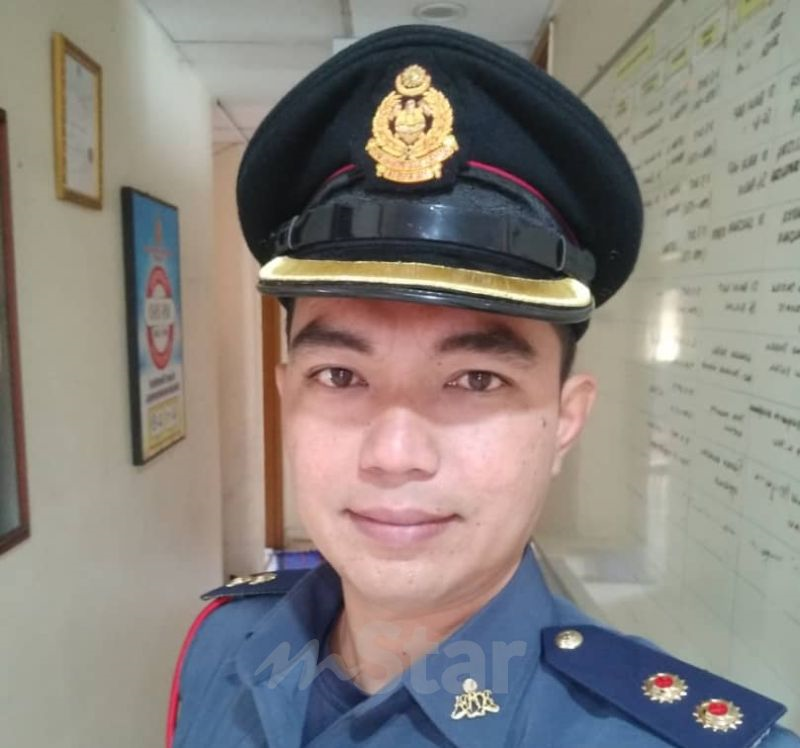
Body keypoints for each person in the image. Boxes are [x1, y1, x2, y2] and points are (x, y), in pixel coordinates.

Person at [167, 25, 799, 748]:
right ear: (288, 397)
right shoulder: (221, 644)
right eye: (340, 375)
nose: (394, 454)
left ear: (565, 421)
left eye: (476, 379)